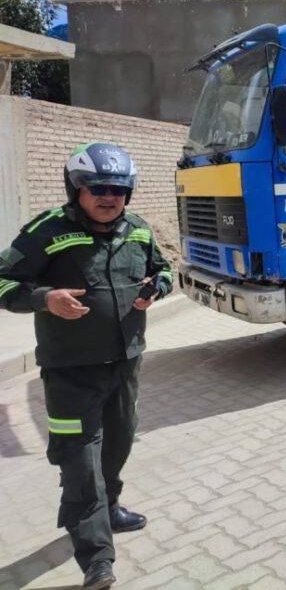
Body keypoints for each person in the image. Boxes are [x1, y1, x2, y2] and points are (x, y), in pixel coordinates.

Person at [0, 142, 172, 589]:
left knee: (118, 446)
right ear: (76, 188)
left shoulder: (138, 230)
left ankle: (109, 508)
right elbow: (2, 282)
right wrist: (44, 298)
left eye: (118, 188)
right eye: (97, 188)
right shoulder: (45, 231)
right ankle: (97, 558)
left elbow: (165, 270)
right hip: (70, 371)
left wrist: (157, 287)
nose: (108, 196)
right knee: (80, 463)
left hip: (125, 364)